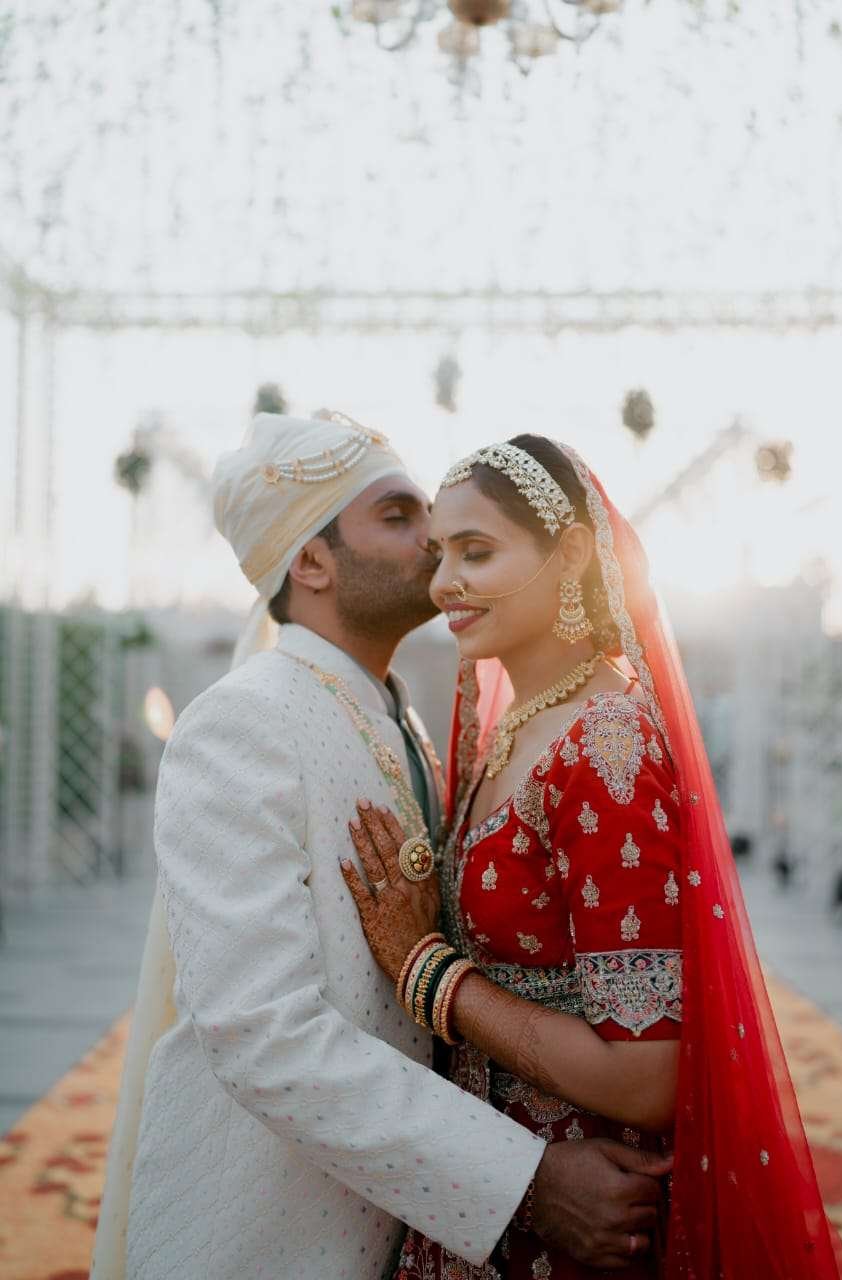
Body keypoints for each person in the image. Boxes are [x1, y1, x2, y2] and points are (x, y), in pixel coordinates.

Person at [91, 413, 669, 1280]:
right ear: (311, 563)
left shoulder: (404, 720)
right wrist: (524, 1181)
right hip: (276, 1238)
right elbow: (262, 1032)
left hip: (416, 1225)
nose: (432, 542)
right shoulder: (242, 723)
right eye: (399, 517)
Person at [342, 434, 840, 1279]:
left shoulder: (605, 746)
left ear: (570, 555)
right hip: (503, 1189)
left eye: (475, 552)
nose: (443, 583)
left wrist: (426, 972)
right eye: (439, 555)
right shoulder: (517, 726)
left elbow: (646, 1076)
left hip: (584, 1218)